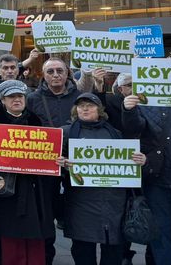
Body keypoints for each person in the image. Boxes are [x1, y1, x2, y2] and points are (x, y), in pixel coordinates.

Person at [56, 93, 146, 265]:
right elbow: (52, 164)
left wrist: (139, 160)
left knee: (113, 250)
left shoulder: (115, 133)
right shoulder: (65, 133)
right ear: (75, 110)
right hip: (81, 202)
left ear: (100, 110)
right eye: (81, 105)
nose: (85, 108)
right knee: (83, 250)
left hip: (113, 202)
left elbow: (127, 162)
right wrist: (62, 164)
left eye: (90, 105)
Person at [123, 77, 171, 265]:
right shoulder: (145, 102)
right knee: (160, 234)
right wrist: (128, 110)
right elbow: (133, 130)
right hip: (158, 178)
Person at [0, 80, 55, 265]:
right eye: (11, 97)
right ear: (2, 100)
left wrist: (55, 159)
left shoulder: (36, 119)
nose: (17, 100)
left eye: (20, 96)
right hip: (6, 190)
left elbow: (46, 151)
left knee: (34, 235)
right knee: (10, 237)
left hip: (33, 189)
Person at [26, 57, 82, 263]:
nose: (56, 75)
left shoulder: (80, 96)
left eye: (60, 70)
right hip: (45, 167)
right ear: (44, 75)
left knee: (77, 214)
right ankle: (47, 256)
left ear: (67, 73)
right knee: (45, 215)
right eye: (50, 72)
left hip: (74, 163)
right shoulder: (32, 98)